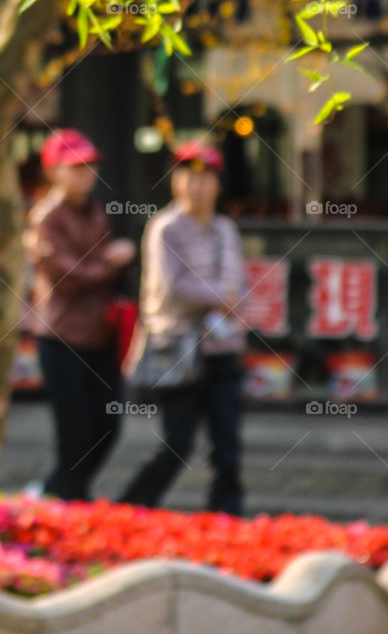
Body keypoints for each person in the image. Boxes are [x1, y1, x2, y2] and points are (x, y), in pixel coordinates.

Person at [118, 141, 248, 516]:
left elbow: (236, 284)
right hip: (177, 350)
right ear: (175, 182)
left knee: (228, 445)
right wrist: (220, 296)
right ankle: (131, 509)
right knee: (176, 445)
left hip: (222, 350)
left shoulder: (225, 229)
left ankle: (227, 518)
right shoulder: (164, 228)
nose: (196, 186)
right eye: (188, 177)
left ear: (217, 184)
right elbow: (173, 287)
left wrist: (225, 298)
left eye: (205, 178)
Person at [26, 129, 135, 500]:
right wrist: (111, 263)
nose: (86, 174)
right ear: (54, 171)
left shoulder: (95, 213)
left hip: (99, 336)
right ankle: (68, 495)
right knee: (73, 430)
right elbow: (68, 277)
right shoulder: (47, 217)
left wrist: (111, 264)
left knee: (107, 425)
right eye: (76, 167)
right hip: (60, 337)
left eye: (89, 166)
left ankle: (59, 489)